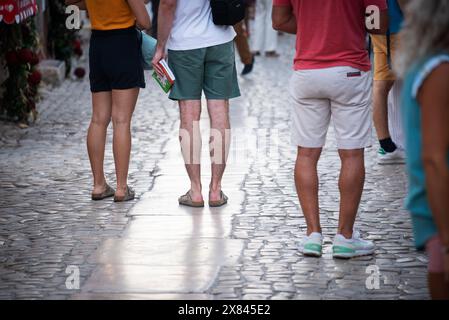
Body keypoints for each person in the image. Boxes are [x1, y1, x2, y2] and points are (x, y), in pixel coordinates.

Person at [272, 0, 388, 258]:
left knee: (306, 154)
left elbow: (279, 21)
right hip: (350, 70)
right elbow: (378, 25)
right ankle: (345, 237)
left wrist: (314, 29)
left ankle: (312, 235)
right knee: (352, 154)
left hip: (307, 71)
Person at [152, 0, 240, 207]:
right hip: (221, 38)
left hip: (185, 42)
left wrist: (161, 45)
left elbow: (168, 3)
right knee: (219, 113)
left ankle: (196, 190)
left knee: (189, 116)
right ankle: (216, 189)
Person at [65, 0, 150, 202]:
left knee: (98, 119)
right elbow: (145, 22)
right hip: (123, 44)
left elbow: (71, 3)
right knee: (121, 120)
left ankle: (98, 184)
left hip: (98, 46)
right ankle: (121, 188)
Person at [396, 0, 449, 300]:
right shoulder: (439, 70)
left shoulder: (423, 65)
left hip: (431, 201)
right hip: (439, 202)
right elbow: (433, 157)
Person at [370, 0, 407, 164]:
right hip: (397, 27)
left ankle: (387, 145)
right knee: (418, 80)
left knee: (382, 82)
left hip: (378, 25)